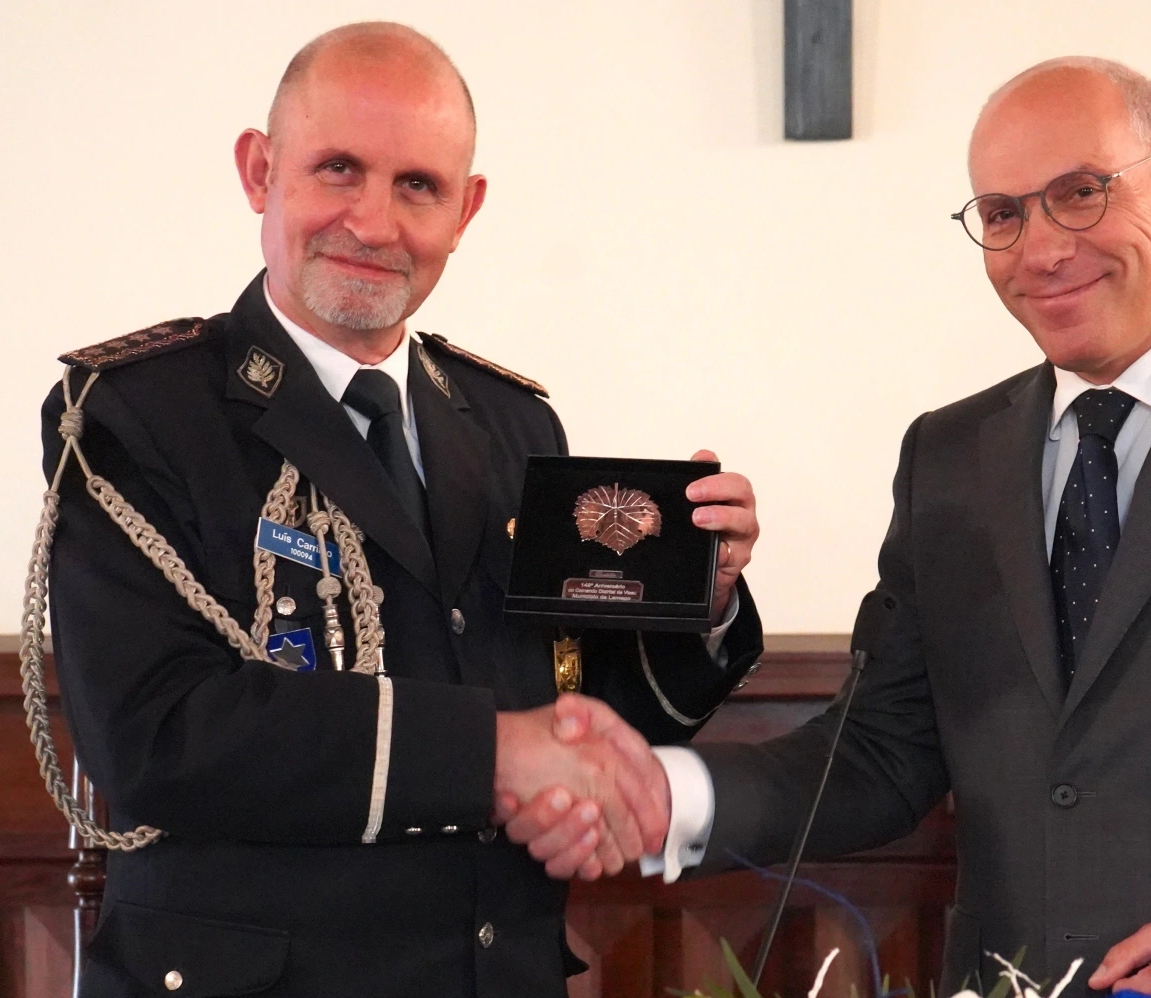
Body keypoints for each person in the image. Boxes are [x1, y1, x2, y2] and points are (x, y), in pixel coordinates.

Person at [507, 57, 1151, 997]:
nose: (1040, 249)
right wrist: (665, 790)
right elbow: (881, 754)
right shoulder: (949, 453)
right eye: (1002, 214)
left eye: (1081, 191)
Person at [39, 22, 763, 998]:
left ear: (466, 210)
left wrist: (698, 595)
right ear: (260, 171)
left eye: (418, 185)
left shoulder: (514, 424)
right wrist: (494, 753)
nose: (374, 224)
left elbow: (575, 710)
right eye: (338, 169)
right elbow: (156, 734)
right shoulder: (135, 412)